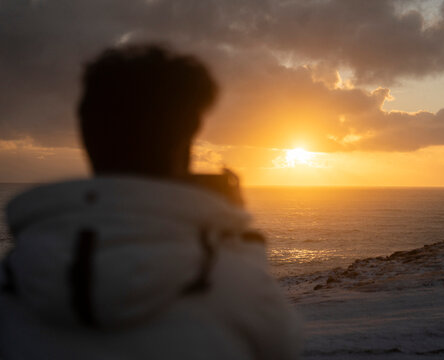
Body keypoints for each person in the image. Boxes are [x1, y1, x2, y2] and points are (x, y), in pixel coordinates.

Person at [0, 45, 301, 359]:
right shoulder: (238, 287)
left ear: (87, 136)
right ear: (185, 143)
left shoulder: (11, 282)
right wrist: (235, 236)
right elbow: (283, 347)